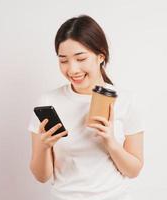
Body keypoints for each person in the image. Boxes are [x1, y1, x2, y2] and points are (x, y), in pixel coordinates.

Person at [27, 15, 144, 200]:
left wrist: (110, 142)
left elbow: (133, 170)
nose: (72, 69)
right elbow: (42, 177)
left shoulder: (126, 100)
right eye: (63, 60)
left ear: (100, 56)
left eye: (80, 58)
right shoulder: (48, 101)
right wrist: (44, 146)